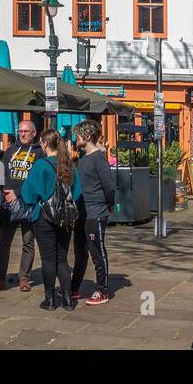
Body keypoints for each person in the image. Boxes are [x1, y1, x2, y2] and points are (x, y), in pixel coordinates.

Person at [22, 129, 82, 311]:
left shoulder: (41, 165)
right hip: (65, 217)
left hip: (44, 217)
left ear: (45, 144)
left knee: (48, 260)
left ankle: (49, 300)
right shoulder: (69, 165)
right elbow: (78, 193)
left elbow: (27, 194)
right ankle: (68, 300)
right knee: (62, 259)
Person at [0, 118, 42, 292]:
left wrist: (18, 192)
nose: (22, 134)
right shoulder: (11, 149)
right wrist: (5, 191)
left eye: (26, 131)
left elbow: (36, 178)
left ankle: (24, 278)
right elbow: (2, 171)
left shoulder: (39, 153)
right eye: (20, 131)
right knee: (4, 242)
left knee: (28, 241)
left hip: (27, 202)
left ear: (34, 133)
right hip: (9, 203)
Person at [71, 119, 115, 305]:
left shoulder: (99, 159)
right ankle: (74, 288)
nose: (75, 138)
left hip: (95, 212)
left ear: (87, 137)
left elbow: (109, 187)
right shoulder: (83, 157)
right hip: (81, 211)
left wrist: (109, 206)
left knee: (97, 252)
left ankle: (102, 291)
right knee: (80, 252)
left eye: (78, 135)